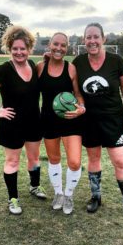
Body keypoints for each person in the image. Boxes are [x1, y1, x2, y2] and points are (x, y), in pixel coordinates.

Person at [72, 23, 123, 220]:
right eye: (88, 37)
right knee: (93, 159)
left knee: (119, 161)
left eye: (96, 37)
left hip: (112, 120)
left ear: (103, 39)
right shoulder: (78, 62)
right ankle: (96, 197)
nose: (92, 41)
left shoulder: (116, 61)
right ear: (84, 40)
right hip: (89, 120)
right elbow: (72, 87)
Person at [0, 25, 46, 215]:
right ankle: (13, 198)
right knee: (12, 162)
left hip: (34, 121)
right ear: (9, 48)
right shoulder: (4, 70)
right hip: (12, 124)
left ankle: (34, 186)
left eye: (22, 48)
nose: (19, 52)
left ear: (29, 48)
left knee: (34, 158)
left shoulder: (33, 65)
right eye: (15, 48)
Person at [37, 32, 86, 215]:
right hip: (48, 120)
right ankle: (58, 193)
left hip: (70, 120)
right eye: (55, 44)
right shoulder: (40, 67)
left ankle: (69, 195)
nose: (59, 48)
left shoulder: (71, 68)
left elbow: (78, 94)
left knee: (74, 162)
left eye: (63, 45)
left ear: (67, 47)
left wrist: (81, 107)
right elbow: (28, 89)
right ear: (49, 45)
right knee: (54, 159)